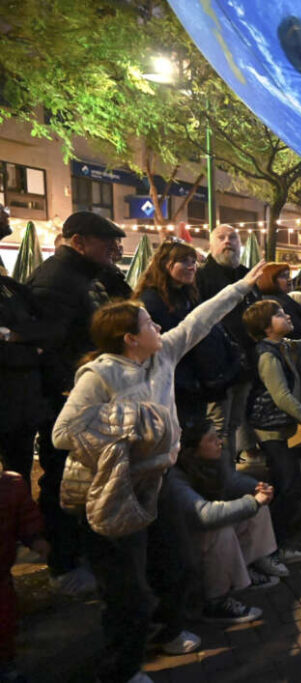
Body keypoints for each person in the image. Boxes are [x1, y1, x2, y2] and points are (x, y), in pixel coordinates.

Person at [51, 262, 266, 683]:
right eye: (148, 322)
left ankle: (168, 631)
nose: (157, 325)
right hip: (119, 489)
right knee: (126, 587)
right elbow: (63, 432)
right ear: (131, 339)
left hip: (161, 481)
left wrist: (242, 287)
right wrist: (131, 422)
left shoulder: (162, 354)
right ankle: (122, 669)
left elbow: (197, 321)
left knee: (178, 562)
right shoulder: (101, 375)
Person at [28, 211, 127, 596]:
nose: (114, 250)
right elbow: (49, 345)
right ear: (80, 241)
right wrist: (69, 393)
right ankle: (64, 564)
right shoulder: (57, 280)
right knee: (63, 481)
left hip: (86, 394)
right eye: (107, 243)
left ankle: (80, 553)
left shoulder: (86, 276)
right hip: (68, 402)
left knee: (83, 479)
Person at [242, 300, 301, 563]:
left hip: (281, 426)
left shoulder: (284, 346)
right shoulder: (267, 355)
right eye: (279, 314)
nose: (286, 316)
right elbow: (281, 397)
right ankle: (272, 548)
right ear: (266, 327)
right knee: (290, 486)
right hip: (269, 429)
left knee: (287, 485)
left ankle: (271, 546)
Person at [165, 420, 286, 624]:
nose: (219, 442)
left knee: (255, 508)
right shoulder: (175, 479)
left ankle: (249, 566)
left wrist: (256, 487)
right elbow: (204, 515)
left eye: (218, 437)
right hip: (180, 547)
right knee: (221, 530)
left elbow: (232, 481)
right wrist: (252, 502)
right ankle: (215, 601)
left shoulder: (213, 461)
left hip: (197, 534)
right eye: (212, 440)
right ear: (193, 450)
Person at [135, 241, 241, 429]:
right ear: (165, 264)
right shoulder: (151, 300)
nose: (192, 267)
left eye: (193, 261)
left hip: (196, 383)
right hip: (175, 385)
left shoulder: (187, 295)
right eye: (184, 261)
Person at [195, 224, 261, 469]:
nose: (228, 242)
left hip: (244, 365)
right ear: (211, 246)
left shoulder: (247, 275)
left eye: (232, 237)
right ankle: (221, 478)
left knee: (234, 424)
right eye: (221, 238)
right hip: (217, 367)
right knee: (219, 426)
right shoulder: (202, 277)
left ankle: (230, 471)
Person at [0, 268, 58, 487]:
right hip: (15, 393)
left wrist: (8, 334)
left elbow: (47, 328)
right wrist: (30, 351)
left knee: (18, 478)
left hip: (22, 405)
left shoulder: (11, 287)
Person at [0, 469, 49, 683]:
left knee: (5, 623)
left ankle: (6, 666)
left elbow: (25, 515)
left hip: (1, 579)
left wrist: (35, 538)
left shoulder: (10, 487)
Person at [257, 263, 301, 339]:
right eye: (284, 276)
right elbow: (295, 330)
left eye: (288, 276)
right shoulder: (272, 303)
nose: (289, 279)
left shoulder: (282, 298)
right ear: (270, 280)